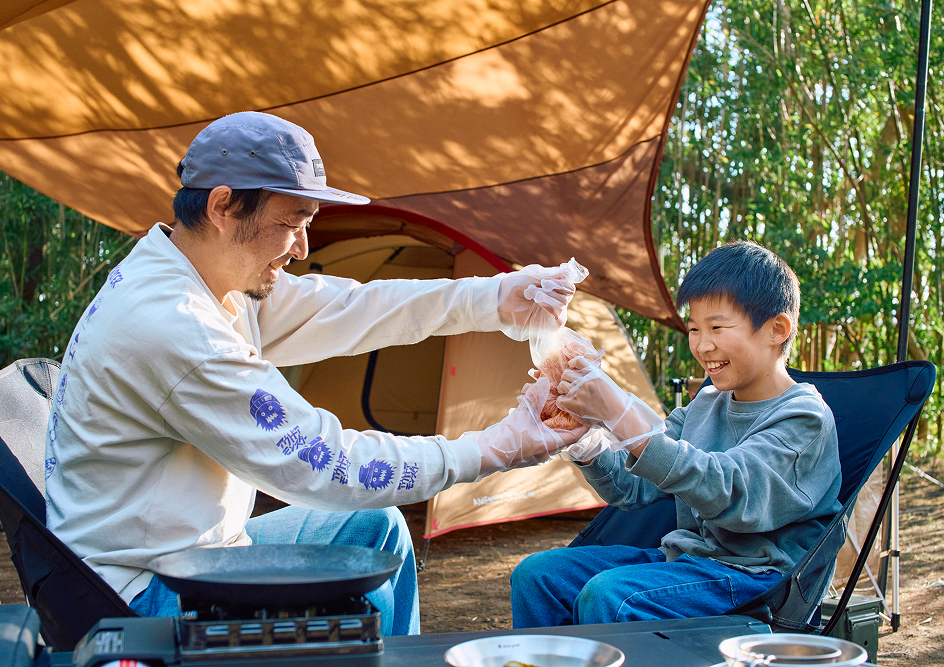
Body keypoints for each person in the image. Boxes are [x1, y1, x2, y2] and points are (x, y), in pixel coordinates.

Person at [44, 111, 585, 635]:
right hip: (140, 595)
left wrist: (494, 297)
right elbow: (325, 463)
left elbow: (351, 308)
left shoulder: (205, 279)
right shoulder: (176, 327)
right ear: (223, 206)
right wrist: (496, 448)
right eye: (290, 223)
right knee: (361, 582)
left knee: (375, 530)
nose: (302, 249)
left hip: (201, 554)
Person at [510, 241, 842, 627]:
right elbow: (632, 487)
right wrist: (582, 437)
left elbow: (731, 492)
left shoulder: (804, 417)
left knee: (611, 595)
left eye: (717, 327)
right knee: (538, 576)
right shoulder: (705, 405)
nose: (702, 345)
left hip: (760, 579)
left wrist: (619, 412)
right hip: (688, 562)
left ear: (776, 330)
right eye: (694, 329)